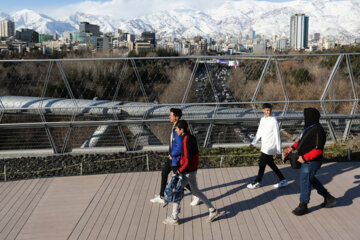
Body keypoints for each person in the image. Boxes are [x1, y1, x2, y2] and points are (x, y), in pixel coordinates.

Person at [163, 120, 220, 225]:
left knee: (176, 193)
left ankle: (174, 218)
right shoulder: (192, 137)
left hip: (187, 172)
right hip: (192, 171)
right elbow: (195, 155)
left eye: (177, 129)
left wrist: (179, 171)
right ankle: (213, 210)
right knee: (195, 191)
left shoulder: (185, 140)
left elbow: (187, 160)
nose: (175, 130)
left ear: (182, 130)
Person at [286, 107, 336, 216]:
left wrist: (304, 158)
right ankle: (328, 198)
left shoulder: (318, 130)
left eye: (306, 116)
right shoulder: (308, 128)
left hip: (312, 161)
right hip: (307, 160)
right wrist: (292, 147)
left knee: (304, 181)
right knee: (310, 179)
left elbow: (318, 149)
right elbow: (301, 141)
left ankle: (303, 205)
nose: (304, 118)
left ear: (310, 117)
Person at [150, 108, 200, 206]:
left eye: (171, 115)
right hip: (172, 157)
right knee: (164, 172)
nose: (169, 116)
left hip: (175, 159)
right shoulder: (175, 127)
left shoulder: (178, 129)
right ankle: (162, 196)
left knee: (182, 180)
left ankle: (196, 195)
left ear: (176, 117)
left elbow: (180, 145)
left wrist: (172, 154)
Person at [247, 103, 288, 189]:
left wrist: (278, 151)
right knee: (271, 164)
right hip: (264, 146)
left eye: (270, 110)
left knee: (261, 164)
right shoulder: (262, 120)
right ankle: (283, 180)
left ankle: (257, 182)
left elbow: (277, 136)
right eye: (267, 110)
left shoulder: (274, 120)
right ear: (263, 110)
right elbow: (259, 132)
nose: (268, 112)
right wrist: (253, 142)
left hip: (270, 147)